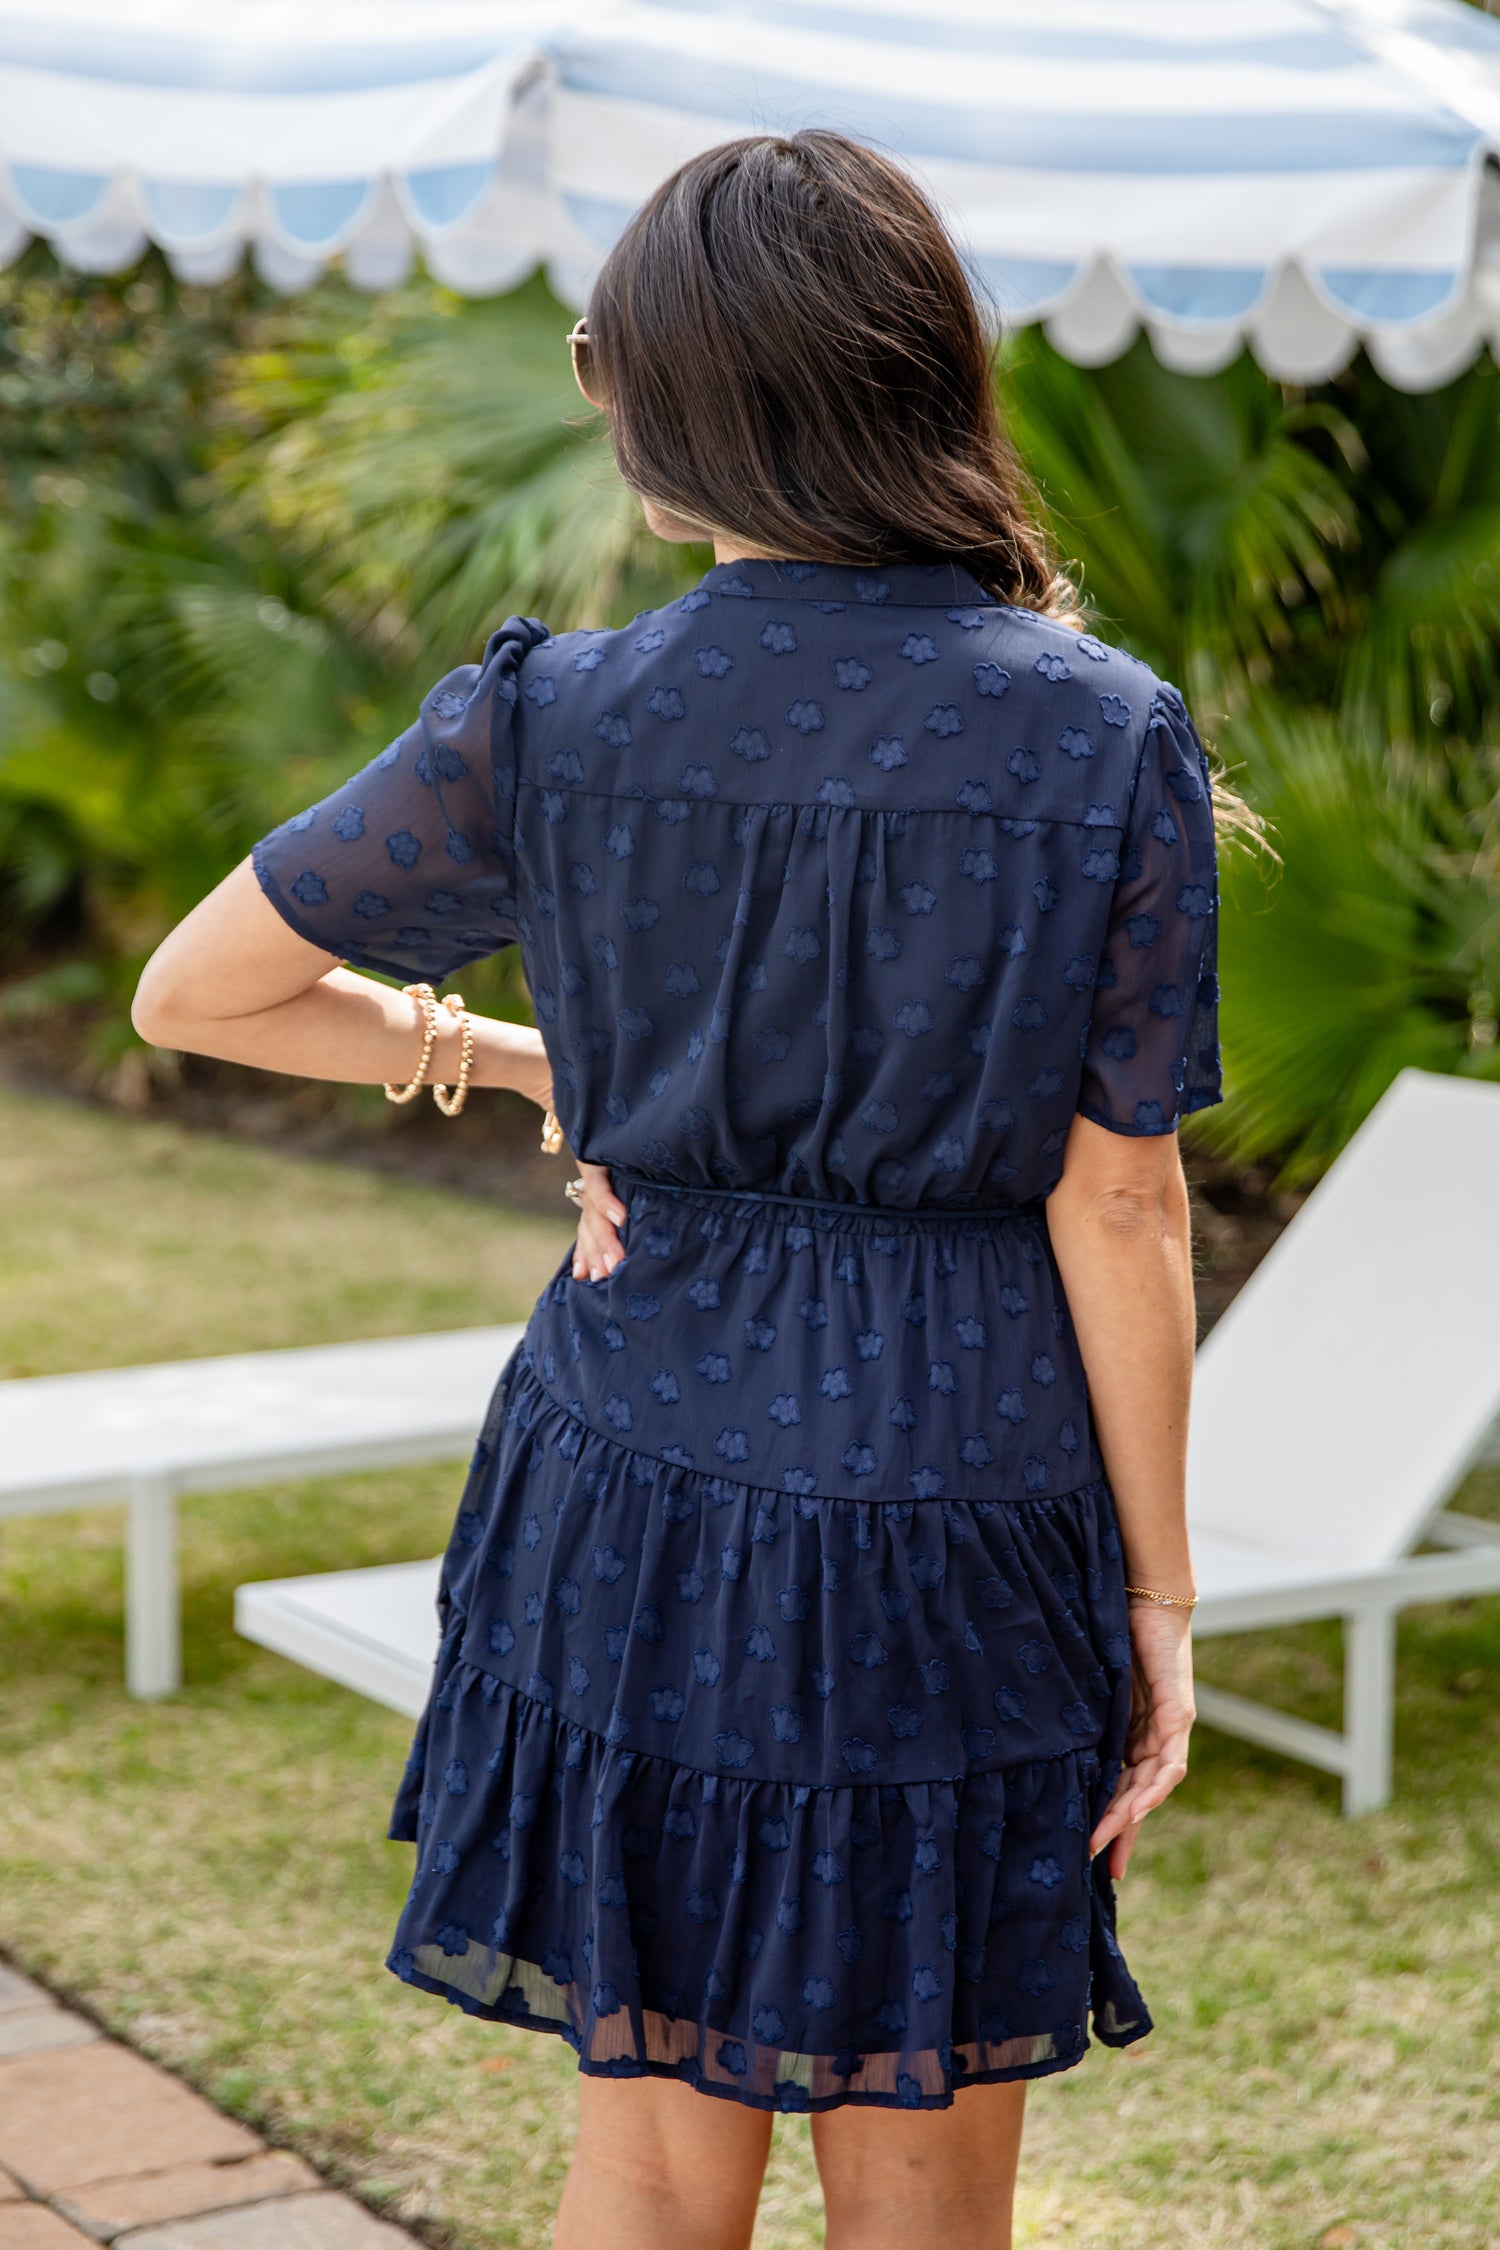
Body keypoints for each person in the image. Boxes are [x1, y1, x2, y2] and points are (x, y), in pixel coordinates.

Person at [134, 129, 1227, 2250]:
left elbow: (205, 992)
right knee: (927, 2169)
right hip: (960, 1488)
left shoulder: (557, 715)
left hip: (634, 1466)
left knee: (645, 2163)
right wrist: (1162, 1599)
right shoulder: (1101, 737)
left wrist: (542, 1064)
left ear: (685, 397)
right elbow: (1124, 1213)